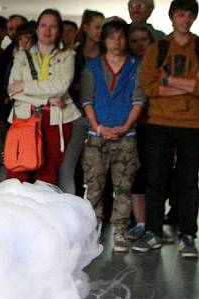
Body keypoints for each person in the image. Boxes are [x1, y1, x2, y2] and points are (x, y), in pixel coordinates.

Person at [136, 0, 199, 258]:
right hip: (160, 123)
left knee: (189, 181)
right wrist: (189, 85)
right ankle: (153, 232)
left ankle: (187, 235)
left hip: (193, 124)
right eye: (181, 14)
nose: (185, 19)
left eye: (190, 15)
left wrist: (168, 80)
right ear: (172, 17)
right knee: (156, 179)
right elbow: (149, 87)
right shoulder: (157, 48)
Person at [81, 18, 145, 251]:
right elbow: (87, 99)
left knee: (124, 186)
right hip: (97, 134)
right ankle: (93, 230)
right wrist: (98, 127)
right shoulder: (92, 67)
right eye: (111, 37)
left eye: (120, 37)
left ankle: (120, 230)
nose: (116, 42)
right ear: (104, 40)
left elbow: (139, 100)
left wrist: (126, 126)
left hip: (126, 135)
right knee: (95, 185)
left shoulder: (136, 66)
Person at [7, 9, 81, 185]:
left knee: (48, 175)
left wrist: (24, 86)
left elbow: (60, 87)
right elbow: (12, 91)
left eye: (53, 26)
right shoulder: (21, 55)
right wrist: (47, 99)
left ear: (59, 31)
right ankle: (16, 212)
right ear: (37, 29)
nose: (48, 30)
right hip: (25, 117)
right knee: (19, 171)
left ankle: (45, 212)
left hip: (57, 120)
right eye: (43, 25)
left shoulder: (67, 56)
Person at [60, 10, 105, 196]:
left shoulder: (107, 54)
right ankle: (75, 203)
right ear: (85, 28)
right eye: (97, 27)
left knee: (100, 166)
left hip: (102, 116)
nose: (101, 31)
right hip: (75, 114)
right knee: (72, 164)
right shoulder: (73, 54)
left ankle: (102, 212)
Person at [125, 23, 155, 241]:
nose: (139, 44)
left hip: (159, 123)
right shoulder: (127, 65)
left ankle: (154, 224)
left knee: (157, 174)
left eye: (143, 39)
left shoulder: (158, 62)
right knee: (136, 173)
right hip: (133, 126)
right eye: (134, 40)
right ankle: (140, 223)